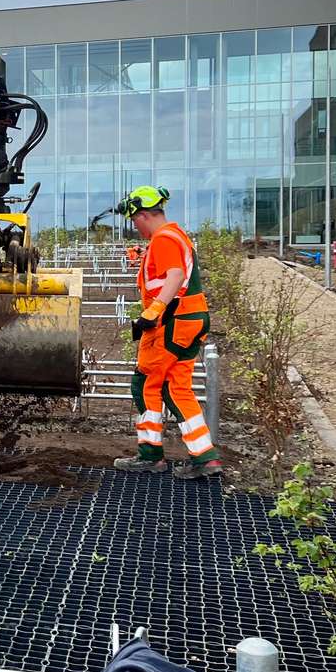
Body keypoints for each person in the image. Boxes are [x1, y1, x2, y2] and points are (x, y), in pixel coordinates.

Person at [112, 186, 223, 479]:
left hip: (173, 322)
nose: (134, 225)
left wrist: (154, 310)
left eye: (134, 219)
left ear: (145, 214)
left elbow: (174, 275)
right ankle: (205, 457)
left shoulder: (163, 239)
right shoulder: (177, 236)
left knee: (145, 382)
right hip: (192, 319)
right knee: (176, 388)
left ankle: (150, 455)